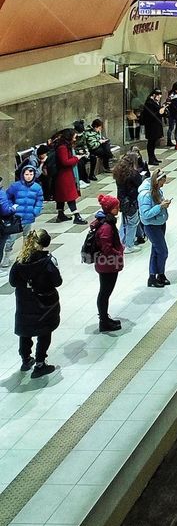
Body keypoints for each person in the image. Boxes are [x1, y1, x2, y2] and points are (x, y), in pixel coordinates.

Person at [9, 227, 61, 378]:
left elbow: (13, 282)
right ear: (46, 243)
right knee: (44, 332)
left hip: (24, 303)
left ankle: (26, 359)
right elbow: (57, 282)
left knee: (26, 332)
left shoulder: (19, 261)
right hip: (45, 304)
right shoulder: (48, 262)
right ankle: (40, 364)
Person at [91, 194, 124, 332]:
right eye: (116, 206)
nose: (118, 208)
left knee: (105, 292)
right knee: (105, 293)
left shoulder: (107, 222)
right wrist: (119, 253)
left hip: (106, 263)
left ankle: (104, 318)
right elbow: (107, 248)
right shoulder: (106, 227)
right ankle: (103, 321)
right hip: (107, 264)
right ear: (110, 209)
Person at [138, 168, 171, 288]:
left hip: (160, 223)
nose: (163, 185)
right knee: (163, 251)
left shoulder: (157, 190)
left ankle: (157, 275)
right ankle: (155, 276)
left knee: (156, 251)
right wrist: (160, 206)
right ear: (157, 181)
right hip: (151, 226)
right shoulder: (145, 195)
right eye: (162, 182)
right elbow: (145, 214)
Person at [5, 164, 44, 261]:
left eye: (31, 174)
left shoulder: (37, 187)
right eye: (26, 174)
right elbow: (7, 197)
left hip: (29, 217)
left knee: (27, 238)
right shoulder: (15, 186)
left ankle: (25, 256)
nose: (29, 176)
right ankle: (6, 258)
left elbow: (39, 201)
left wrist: (35, 211)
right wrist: (12, 208)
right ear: (23, 174)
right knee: (11, 239)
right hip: (16, 218)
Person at [113, 149, 146, 251]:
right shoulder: (133, 173)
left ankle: (122, 242)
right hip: (131, 202)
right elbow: (140, 184)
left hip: (122, 201)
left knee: (125, 222)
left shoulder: (119, 172)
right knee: (132, 223)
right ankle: (129, 245)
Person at [52, 128, 83, 224]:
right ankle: (76, 216)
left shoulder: (63, 146)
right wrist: (76, 158)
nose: (75, 138)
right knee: (70, 195)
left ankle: (60, 214)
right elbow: (65, 162)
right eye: (74, 136)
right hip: (64, 176)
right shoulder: (63, 148)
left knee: (61, 196)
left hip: (64, 174)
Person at [139, 89, 166, 163]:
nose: (159, 98)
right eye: (158, 96)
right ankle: (151, 159)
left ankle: (153, 157)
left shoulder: (155, 102)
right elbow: (151, 115)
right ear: (154, 95)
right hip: (151, 126)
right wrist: (160, 112)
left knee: (153, 142)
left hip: (155, 125)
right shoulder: (149, 103)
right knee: (151, 142)